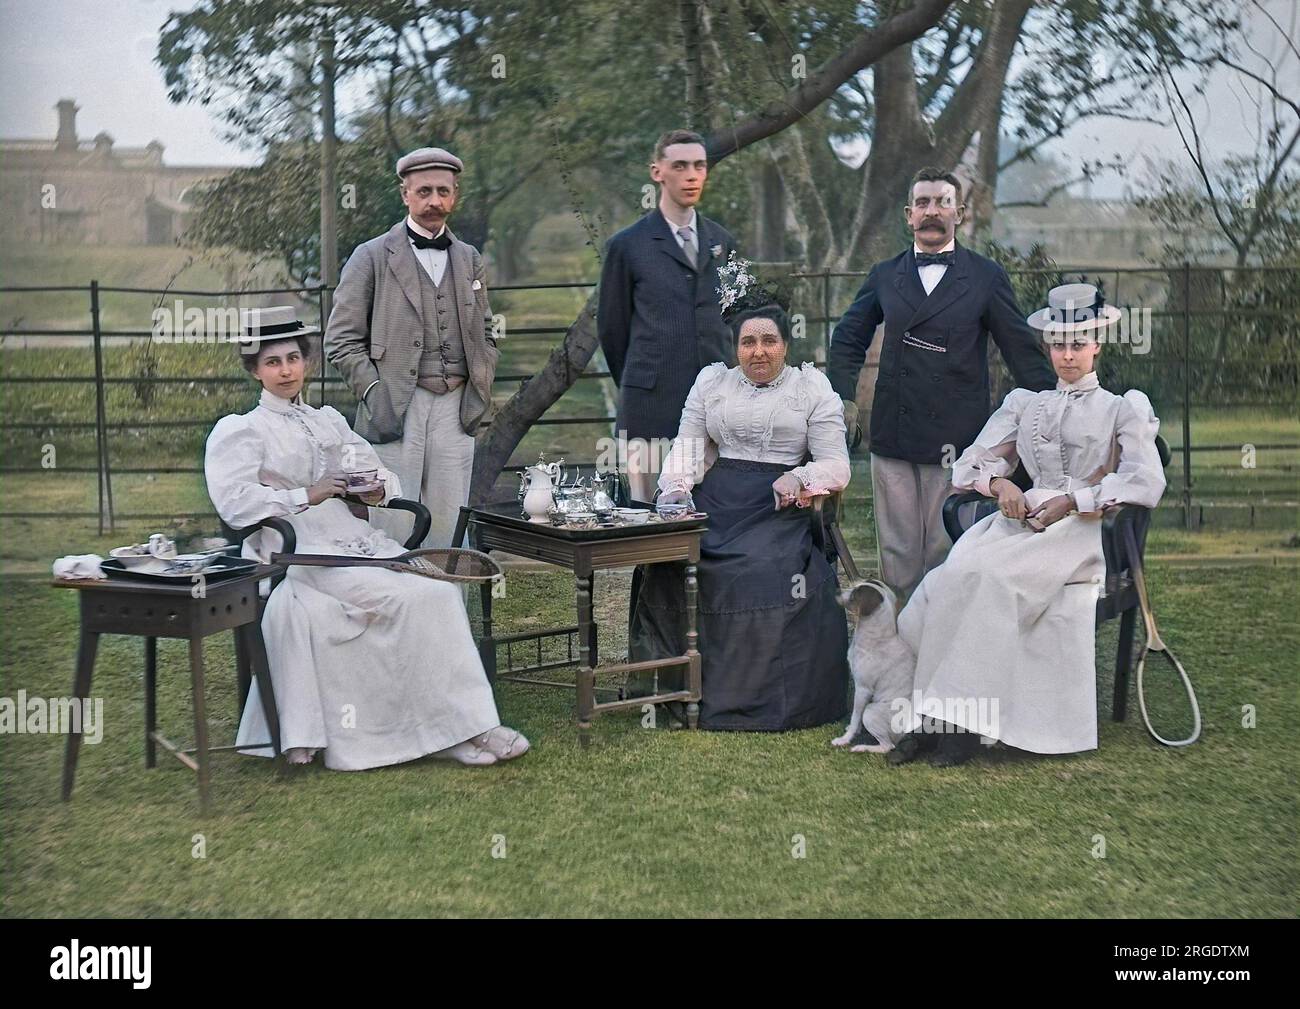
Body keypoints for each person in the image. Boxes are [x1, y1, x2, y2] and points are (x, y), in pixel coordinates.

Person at [206, 307, 527, 769]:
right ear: (254, 369)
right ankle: (462, 732)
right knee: (410, 600)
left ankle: (459, 727)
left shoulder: (327, 420)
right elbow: (234, 505)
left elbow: (374, 472)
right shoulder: (242, 430)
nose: (285, 371)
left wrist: (378, 489)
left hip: (353, 541)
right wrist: (305, 495)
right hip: (298, 551)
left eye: (293, 359)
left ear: (307, 362)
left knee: (436, 591)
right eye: (272, 362)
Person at [888, 284, 1166, 766]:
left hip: (1082, 529)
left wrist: (1075, 500)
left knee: (994, 582)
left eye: (1078, 344)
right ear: (1047, 347)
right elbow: (967, 464)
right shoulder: (1025, 403)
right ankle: (930, 719)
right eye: (1058, 344)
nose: (1068, 355)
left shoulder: (1122, 408)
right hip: (1020, 523)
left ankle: (962, 727)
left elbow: (1144, 482)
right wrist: (1002, 487)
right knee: (949, 579)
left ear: (1098, 343)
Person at [827, 167, 1057, 601]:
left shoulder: (985, 276)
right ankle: (901, 659)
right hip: (893, 435)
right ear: (908, 215)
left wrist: (1053, 403)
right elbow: (847, 338)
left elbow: (1020, 349)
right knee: (896, 558)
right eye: (924, 204)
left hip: (957, 442)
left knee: (945, 555)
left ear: (960, 213)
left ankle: (944, 657)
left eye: (943, 202)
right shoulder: (884, 275)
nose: (933, 211)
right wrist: (842, 400)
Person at [628, 290, 851, 731]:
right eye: (748, 342)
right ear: (735, 348)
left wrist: (800, 478)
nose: (759, 351)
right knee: (671, 559)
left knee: (761, 567)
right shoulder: (712, 383)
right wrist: (675, 493)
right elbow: (687, 447)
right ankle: (676, 689)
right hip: (718, 498)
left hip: (779, 506)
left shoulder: (811, 387)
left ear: (786, 344)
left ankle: (756, 700)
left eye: (769, 340)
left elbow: (837, 464)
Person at [325, 146, 499, 549]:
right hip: (396, 405)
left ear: (455, 195)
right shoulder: (370, 256)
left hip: (457, 407)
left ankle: (447, 611)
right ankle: (391, 607)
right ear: (405, 194)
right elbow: (341, 339)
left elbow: (485, 329)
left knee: (450, 526)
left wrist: (482, 374)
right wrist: (375, 392)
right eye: (423, 191)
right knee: (393, 522)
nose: (433, 201)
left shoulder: (468, 258)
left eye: (443, 191)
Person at [598, 129, 739, 502]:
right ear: (657, 172)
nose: (691, 175)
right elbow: (613, 332)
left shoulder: (722, 241)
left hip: (715, 410)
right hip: (650, 409)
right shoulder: (627, 246)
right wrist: (642, 378)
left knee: (711, 515)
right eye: (679, 166)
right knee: (647, 524)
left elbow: (737, 318)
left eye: (699, 166)